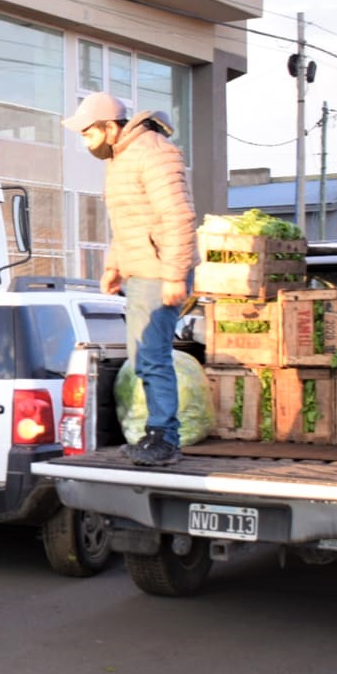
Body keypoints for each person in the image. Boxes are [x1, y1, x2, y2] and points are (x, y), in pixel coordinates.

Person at [61, 92, 198, 466]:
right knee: (143, 356)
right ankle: (156, 434)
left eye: (88, 134)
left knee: (152, 357)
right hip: (141, 270)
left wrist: (174, 276)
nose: (86, 143)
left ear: (110, 127)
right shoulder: (121, 159)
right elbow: (127, 223)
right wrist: (113, 266)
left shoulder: (154, 152)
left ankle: (165, 439)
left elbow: (178, 216)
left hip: (160, 271)